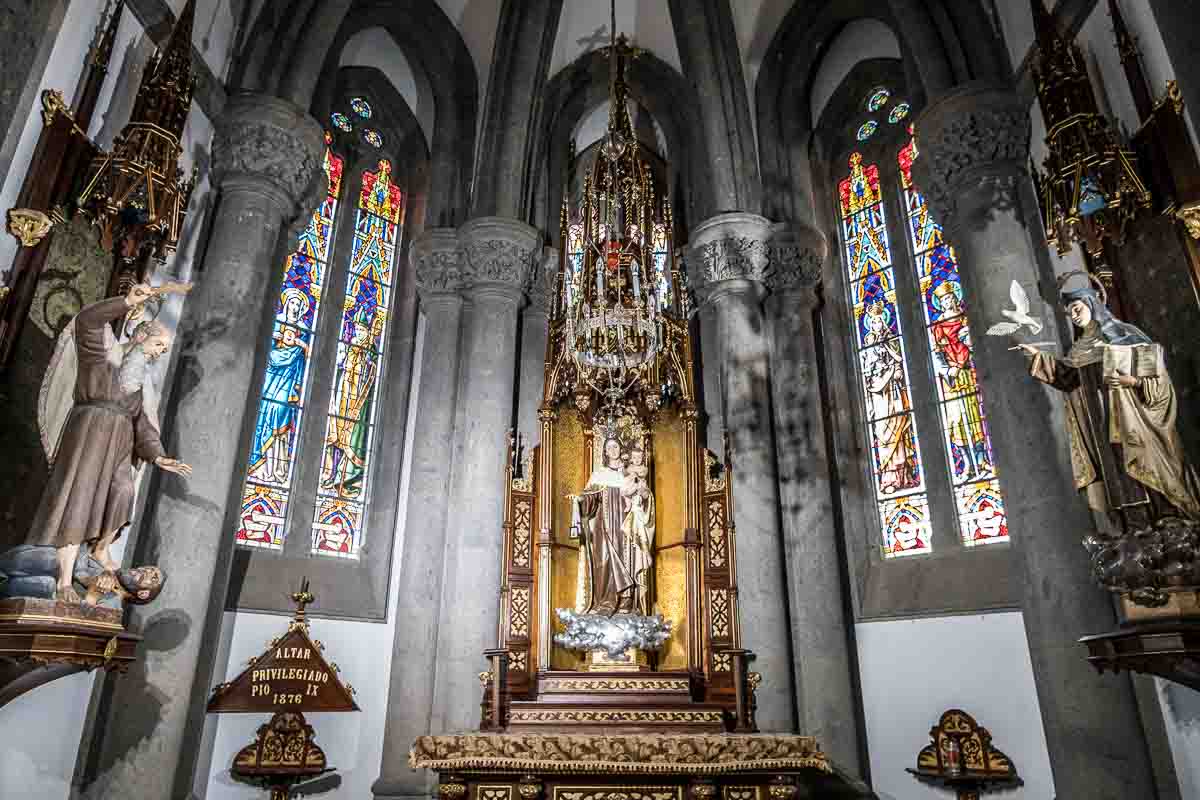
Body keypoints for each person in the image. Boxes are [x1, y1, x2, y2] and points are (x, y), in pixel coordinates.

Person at [28, 284, 191, 602]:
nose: (161, 352)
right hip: (91, 431)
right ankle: (63, 581)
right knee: (80, 498)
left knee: (124, 492)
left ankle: (101, 548)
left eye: (164, 348)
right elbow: (87, 321)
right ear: (142, 336)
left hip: (120, 442)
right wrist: (126, 301)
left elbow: (142, 425)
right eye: (159, 344)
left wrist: (158, 457)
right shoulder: (102, 356)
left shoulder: (140, 381)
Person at [1019, 284, 1200, 525]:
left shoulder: (1127, 335)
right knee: (1114, 472)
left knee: (1145, 461)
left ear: (1092, 304)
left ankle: (1167, 516)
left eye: (1076, 308)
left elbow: (1159, 382)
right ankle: (1135, 525)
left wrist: (1132, 381)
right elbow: (1070, 379)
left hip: (1133, 418)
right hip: (1100, 423)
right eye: (1069, 312)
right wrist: (1037, 357)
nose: (1073, 315)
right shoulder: (1079, 348)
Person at [929, 280, 990, 481]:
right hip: (950, 380)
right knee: (956, 422)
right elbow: (937, 354)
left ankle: (982, 461)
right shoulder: (938, 326)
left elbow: (975, 344)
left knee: (973, 418)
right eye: (943, 300)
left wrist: (963, 359)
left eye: (949, 297)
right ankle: (967, 465)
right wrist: (948, 370)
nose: (947, 301)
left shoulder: (965, 319)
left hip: (967, 372)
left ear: (955, 298)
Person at [572, 437, 640, 615]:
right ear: (605, 452)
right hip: (604, 525)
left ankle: (626, 602)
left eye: (616, 446)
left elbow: (639, 496)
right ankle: (603, 601)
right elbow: (590, 497)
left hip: (625, 524)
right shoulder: (599, 474)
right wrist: (581, 499)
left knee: (627, 558)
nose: (613, 450)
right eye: (609, 447)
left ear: (620, 449)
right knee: (602, 560)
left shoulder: (628, 473)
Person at [249, 288, 310, 483]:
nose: (295, 307)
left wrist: (300, 344)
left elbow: (305, 354)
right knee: (264, 410)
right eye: (292, 303)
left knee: (280, 410)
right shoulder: (276, 322)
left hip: (289, 379)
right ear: (286, 303)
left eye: (298, 305)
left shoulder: (303, 329)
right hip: (271, 375)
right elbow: (269, 346)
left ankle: (278, 468)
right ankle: (260, 467)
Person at [860, 302, 919, 493]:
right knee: (883, 430)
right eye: (874, 322)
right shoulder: (868, 343)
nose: (877, 325)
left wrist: (896, 367)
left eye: (879, 321)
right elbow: (867, 369)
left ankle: (903, 474)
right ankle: (888, 477)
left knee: (898, 428)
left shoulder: (891, 339)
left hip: (893, 389)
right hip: (878, 392)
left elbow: (899, 360)